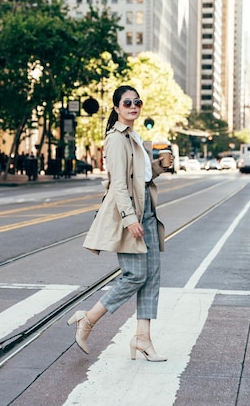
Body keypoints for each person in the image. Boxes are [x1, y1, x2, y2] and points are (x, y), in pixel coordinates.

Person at [67, 85, 172, 362]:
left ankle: (143, 338)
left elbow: (142, 178)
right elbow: (118, 184)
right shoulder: (116, 138)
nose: (133, 106)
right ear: (116, 108)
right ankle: (88, 320)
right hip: (131, 214)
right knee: (135, 275)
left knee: (151, 277)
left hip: (147, 210)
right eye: (127, 103)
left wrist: (160, 165)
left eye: (137, 102)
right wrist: (129, 219)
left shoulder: (134, 135)